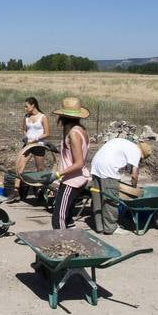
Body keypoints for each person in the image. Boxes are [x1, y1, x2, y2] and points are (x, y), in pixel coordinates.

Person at [88, 137, 153, 234]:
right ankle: (111, 228)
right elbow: (134, 175)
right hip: (108, 168)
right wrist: (134, 188)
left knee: (98, 197)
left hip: (95, 165)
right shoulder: (136, 152)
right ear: (142, 154)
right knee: (111, 199)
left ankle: (99, 227)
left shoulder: (125, 143)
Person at [49, 96, 91, 229]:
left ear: (63, 116)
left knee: (58, 220)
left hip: (71, 181)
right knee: (68, 217)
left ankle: (63, 245)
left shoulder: (73, 133)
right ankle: (73, 241)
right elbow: (73, 153)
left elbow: (78, 162)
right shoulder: (81, 129)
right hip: (76, 179)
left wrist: (57, 174)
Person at [10, 97, 53, 201]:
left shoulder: (42, 117)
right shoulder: (26, 116)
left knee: (40, 170)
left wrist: (36, 139)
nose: (25, 108)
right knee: (19, 167)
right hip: (28, 145)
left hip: (38, 145)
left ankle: (42, 191)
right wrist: (26, 137)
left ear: (33, 105)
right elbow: (24, 130)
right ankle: (16, 192)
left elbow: (47, 133)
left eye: (26, 106)